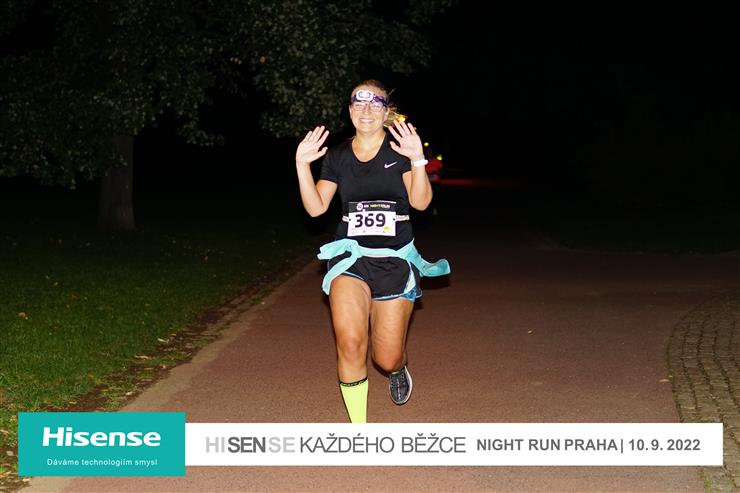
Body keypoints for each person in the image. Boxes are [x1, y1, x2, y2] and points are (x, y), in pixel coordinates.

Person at [294, 79, 450, 423]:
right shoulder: (337, 156)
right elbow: (316, 208)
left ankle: (398, 369)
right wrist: (302, 165)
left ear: (385, 111)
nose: (366, 110)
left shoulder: (400, 151)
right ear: (350, 110)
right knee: (350, 343)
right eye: (358, 103)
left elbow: (421, 203)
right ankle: (359, 432)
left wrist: (418, 159)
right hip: (350, 259)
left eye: (374, 103)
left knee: (386, 357)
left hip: (395, 261)